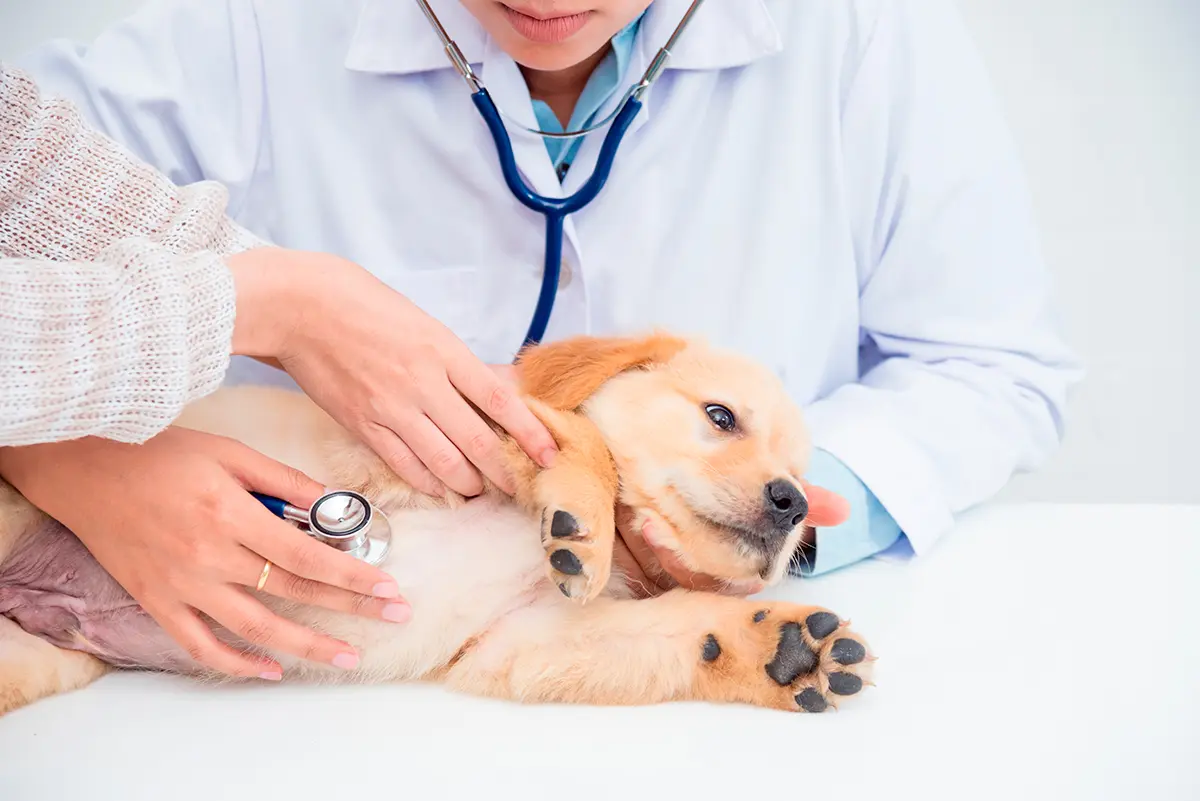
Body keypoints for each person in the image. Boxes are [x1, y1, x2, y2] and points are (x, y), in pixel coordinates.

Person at [0, 0, 1080, 677]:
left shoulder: (864, 32)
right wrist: (58, 453)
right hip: (240, 696)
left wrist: (761, 523)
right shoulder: (243, 33)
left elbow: (989, 367)